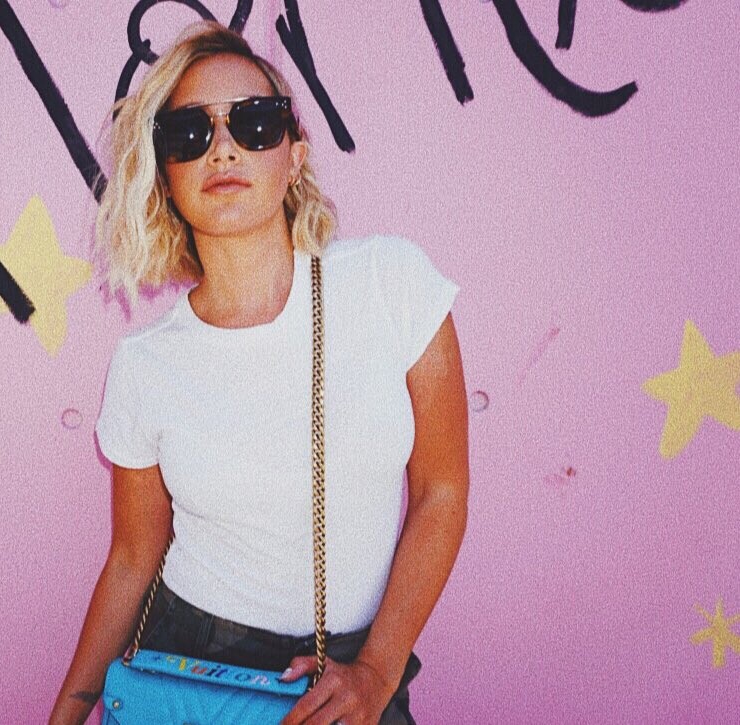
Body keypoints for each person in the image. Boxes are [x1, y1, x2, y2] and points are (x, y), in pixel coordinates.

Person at [50, 20, 468, 725]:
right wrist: (67, 714)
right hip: (193, 665)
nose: (223, 148)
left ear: (295, 155)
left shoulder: (391, 284)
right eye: (189, 132)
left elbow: (441, 490)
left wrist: (376, 670)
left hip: (355, 667)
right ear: (164, 175)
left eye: (254, 123)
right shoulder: (145, 362)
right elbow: (131, 557)